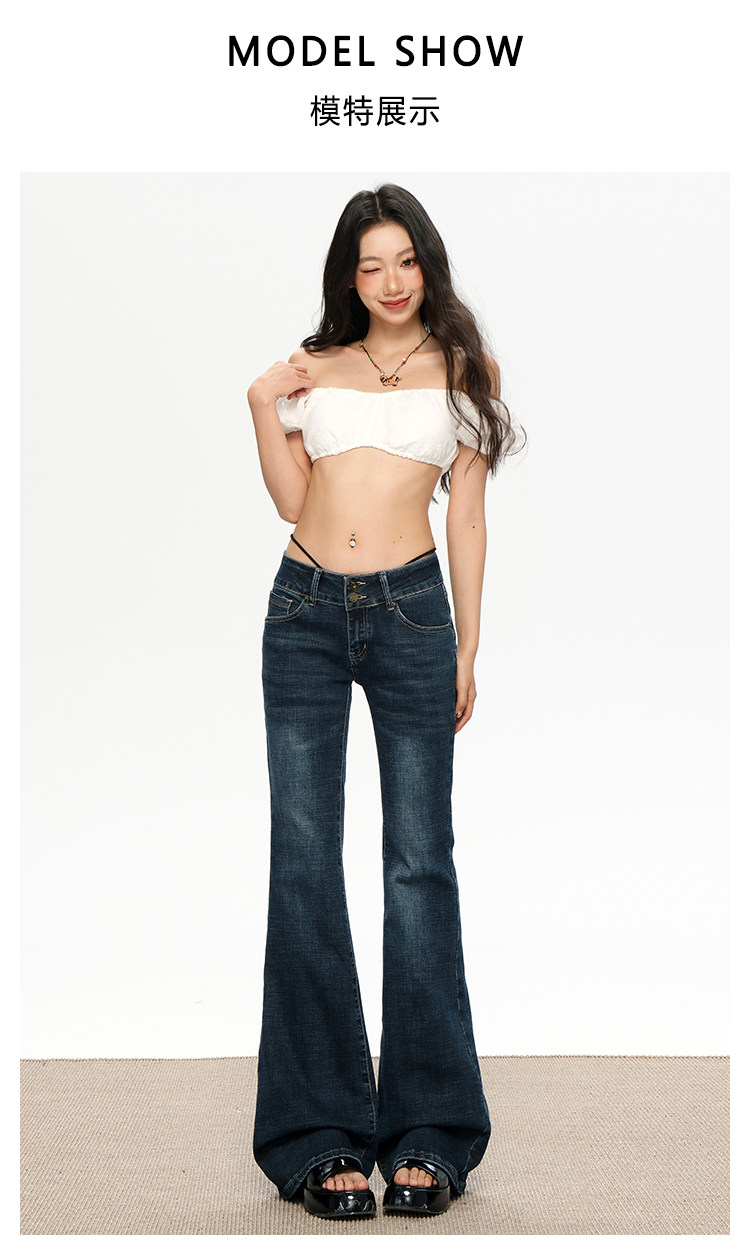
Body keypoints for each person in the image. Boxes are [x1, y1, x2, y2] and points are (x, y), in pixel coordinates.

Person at [246, 183, 523, 1220]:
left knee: (417, 863)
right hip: (303, 608)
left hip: (411, 615)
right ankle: (316, 1133)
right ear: (349, 277)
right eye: (370, 266)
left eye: (404, 260)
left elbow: (469, 519)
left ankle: (430, 1133)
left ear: (427, 264)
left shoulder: (467, 371)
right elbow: (293, 498)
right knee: (304, 860)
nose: (391, 281)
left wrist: (468, 643)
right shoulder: (312, 366)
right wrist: (260, 409)